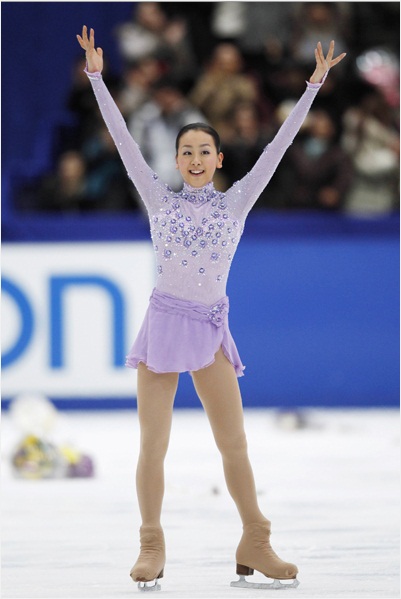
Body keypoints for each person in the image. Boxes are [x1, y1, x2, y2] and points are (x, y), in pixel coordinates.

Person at [77, 26, 346, 590]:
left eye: (204, 151)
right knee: (154, 444)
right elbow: (124, 140)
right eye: (186, 152)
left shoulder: (237, 203)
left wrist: (313, 87)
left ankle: (256, 537)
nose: (195, 159)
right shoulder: (157, 198)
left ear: (218, 158)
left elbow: (279, 146)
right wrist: (99, 79)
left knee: (234, 443)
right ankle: (151, 542)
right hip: (163, 327)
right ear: (175, 161)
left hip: (209, 329)